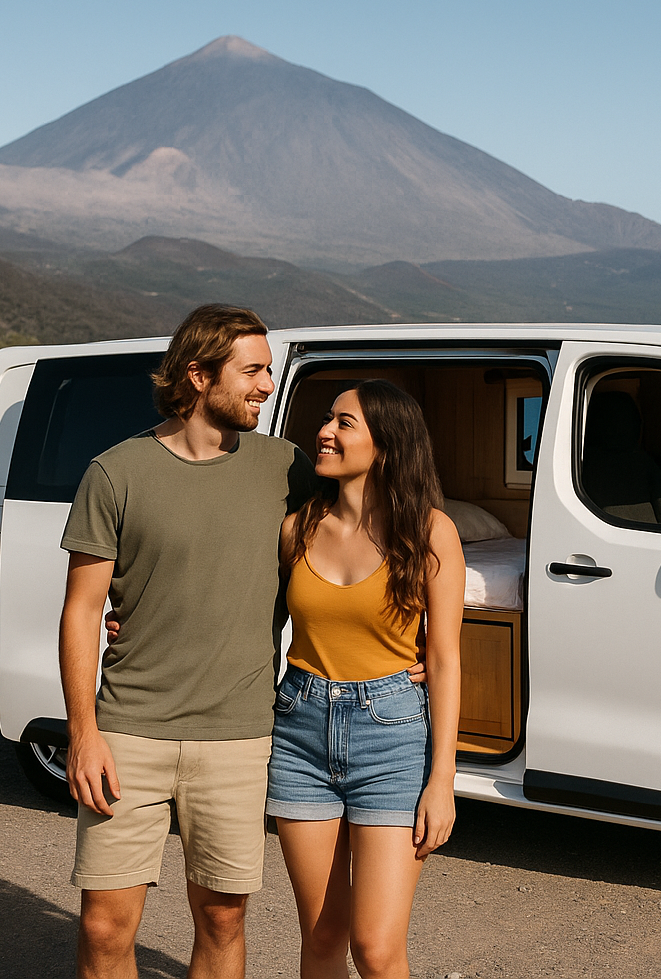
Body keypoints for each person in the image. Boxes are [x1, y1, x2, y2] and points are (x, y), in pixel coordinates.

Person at [57, 304, 315, 979]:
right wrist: (82, 733)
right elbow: (81, 611)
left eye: (268, 370)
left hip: (237, 732)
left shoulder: (286, 468)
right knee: (104, 926)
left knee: (223, 918)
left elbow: (364, 542)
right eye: (252, 371)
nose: (267, 385)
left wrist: (409, 645)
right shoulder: (114, 473)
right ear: (198, 376)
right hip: (128, 731)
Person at [268, 379, 462, 979]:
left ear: (386, 444)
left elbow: (445, 659)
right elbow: (238, 614)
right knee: (322, 935)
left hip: (392, 736)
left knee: (376, 949)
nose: (324, 431)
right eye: (328, 418)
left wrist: (443, 779)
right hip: (300, 730)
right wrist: (131, 619)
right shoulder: (295, 529)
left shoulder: (430, 532)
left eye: (344, 422)